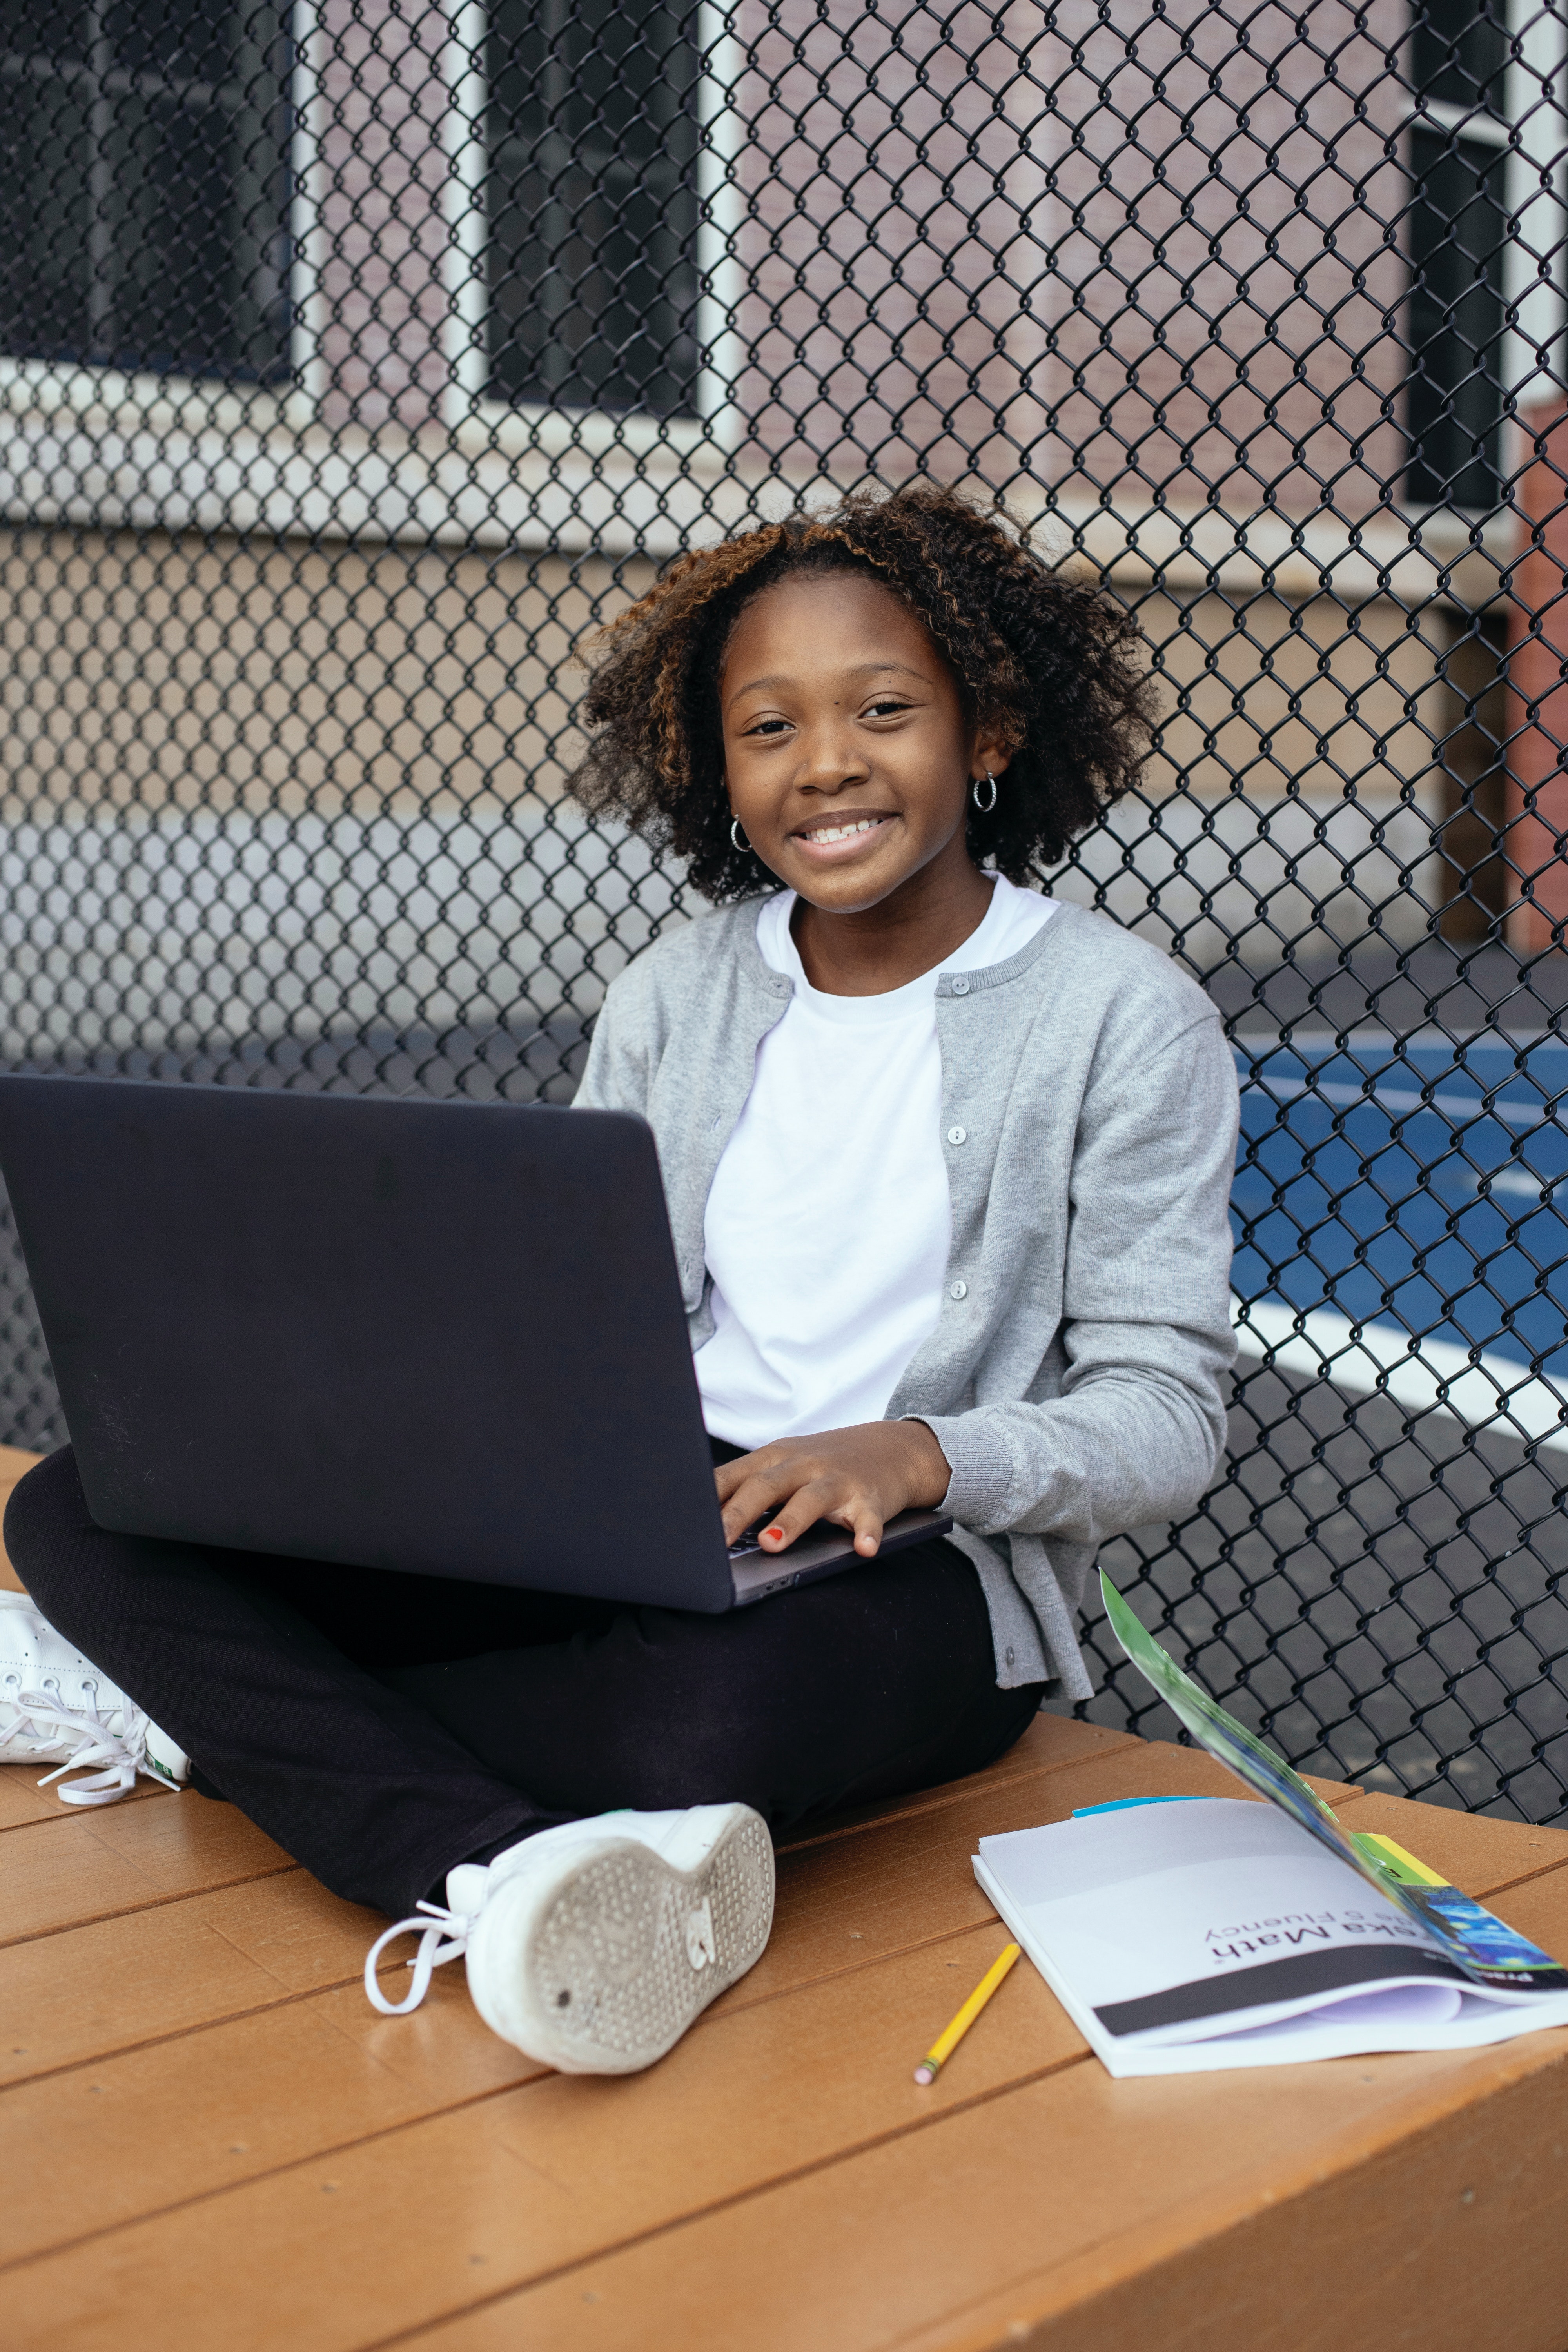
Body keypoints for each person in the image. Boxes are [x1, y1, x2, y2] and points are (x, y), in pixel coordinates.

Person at [0, 484, 1238, 2075]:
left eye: (884, 710)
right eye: (768, 726)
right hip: (632, 1510)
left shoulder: (1121, 1017)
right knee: (85, 1503)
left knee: (702, 1729)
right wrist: (402, 1422)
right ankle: (498, 1871)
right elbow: (584, 1318)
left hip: (916, 1564)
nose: (828, 763)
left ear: (989, 732)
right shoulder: (677, 989)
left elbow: (1162, 1413)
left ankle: (207, 1725)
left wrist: (920, 1451)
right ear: (714, 767)